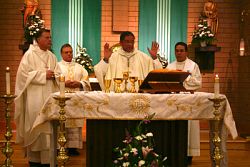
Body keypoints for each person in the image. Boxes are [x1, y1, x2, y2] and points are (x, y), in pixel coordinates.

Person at [15, 28, 61, 167]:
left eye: (50, 38)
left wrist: (54, 76)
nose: (50, 40)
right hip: (34, 99)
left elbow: (58, 73)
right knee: (37, 127)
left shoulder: (51, 56)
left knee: (49, 128)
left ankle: (49, 162)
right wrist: (42, 75)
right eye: (47, 38)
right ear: (38, 39)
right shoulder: (29, 55)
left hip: (50, 97)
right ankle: (35, 162)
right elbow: (23, 75)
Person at [167, 42, 202, 164]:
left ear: (186, 52)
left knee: (189, 128)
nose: (179, 53)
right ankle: (174, 152)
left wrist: (181, 83)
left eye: (181, 50)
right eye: (177, 50)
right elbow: (167, 83)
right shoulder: (170, 67)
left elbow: (197, 83)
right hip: (174, 101)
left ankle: (188, 155)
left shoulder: (193, 66)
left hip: (188, 100)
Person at [94, 31, 162, 91]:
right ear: (120, 43)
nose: (130, 44)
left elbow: (157, 72)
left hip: (137, 94)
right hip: (117, 95)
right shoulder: (113, 57)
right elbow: (98, 71)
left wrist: (154, 58)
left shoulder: (143, 57)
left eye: (132, 41)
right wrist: (106, 59)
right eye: (127, 41)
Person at [58, 43, 90, 155]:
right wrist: (63, 83)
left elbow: (86, 81)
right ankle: (60, 147)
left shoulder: (79, 67)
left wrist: (79, 83)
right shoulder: (57, 67)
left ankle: (72, 148)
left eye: (70, 52)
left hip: (76, 99)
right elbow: (53, 81)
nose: (69, 54)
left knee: (75, 123)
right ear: (61, 54)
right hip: (62, 100)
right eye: (66, 52)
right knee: (62, 122)